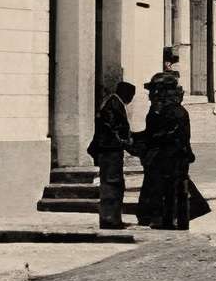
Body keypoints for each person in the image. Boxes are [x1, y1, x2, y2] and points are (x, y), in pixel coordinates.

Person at [135, 69, 206, 230]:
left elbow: (167, 135)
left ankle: (172, 220)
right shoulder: (159, 111)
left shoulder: (174, 111)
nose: (152, 95)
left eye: (155, 90)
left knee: (172, 191)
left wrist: (146, 141)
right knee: (171, 190)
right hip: (168, 158)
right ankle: (169, 220)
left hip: (172, 159)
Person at [88, 77, 137, 231]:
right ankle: (110, 219)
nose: (131, 99)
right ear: (125, 94)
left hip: (111, 150)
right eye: (131, 96)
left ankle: (113, 218)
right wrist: (125, 143)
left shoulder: (113, 103)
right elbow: (112, 129)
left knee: (115, 184)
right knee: (112, 184)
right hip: (110, 151)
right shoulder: (114, 104)